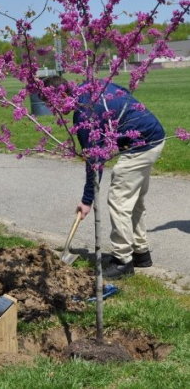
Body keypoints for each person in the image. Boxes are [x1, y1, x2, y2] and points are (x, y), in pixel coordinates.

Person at [43, 76, 165, 280]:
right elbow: (123, 92)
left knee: (119, 201)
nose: (50, 108)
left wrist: (86, 200)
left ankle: (123, 261)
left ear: (62, 94)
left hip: (142, 144)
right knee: (134, 201)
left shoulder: (83, 114)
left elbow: (95, 162)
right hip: (153, 135)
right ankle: (141, 253)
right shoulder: (91, 85)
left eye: (50, 102)